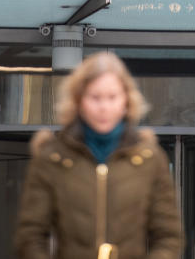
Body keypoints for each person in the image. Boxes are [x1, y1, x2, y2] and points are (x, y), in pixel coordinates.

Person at [14, 52, 183, 259]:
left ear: (126, 101)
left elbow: (169, 236)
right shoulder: (52, 157)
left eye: (112, 97)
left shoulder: (149, 158)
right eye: (95, 97)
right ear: (78, 100)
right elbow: (30, 236)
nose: (104, 107)